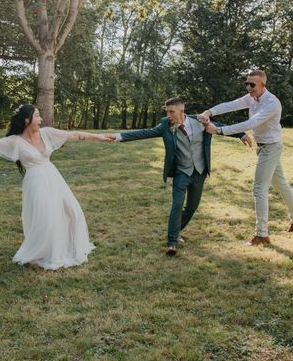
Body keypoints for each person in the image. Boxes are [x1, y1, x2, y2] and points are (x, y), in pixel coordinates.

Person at [0, 104, 113, 270]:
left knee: (73, 210)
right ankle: (46, 252)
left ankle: (71, 246)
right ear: (27, 120)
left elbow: (75, 135)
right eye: (37, 116)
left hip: (53, 176)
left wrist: (100, 137)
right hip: (35, 181)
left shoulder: (47, 133)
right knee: (46, 218)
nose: (41, 119)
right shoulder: (15, 141)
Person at [105, 97, 252, 256]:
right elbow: (145, 133)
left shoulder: (200, 121)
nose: (168, 115)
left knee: (191, 207)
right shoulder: (166, 125)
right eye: (167, 111)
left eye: (171, 112)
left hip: (199, 171)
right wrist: (118, 136)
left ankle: (176, 230)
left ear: (181, 110)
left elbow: (219, 127)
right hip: (181, 172)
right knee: (177, 204)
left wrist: (241, 134)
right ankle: (172, 242)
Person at [199, 70, 293, 246]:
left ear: (263, 85)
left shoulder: (271, 103)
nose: (249, 88)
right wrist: (209, 112)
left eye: (252, 85)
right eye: (247, 84)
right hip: (265, 147)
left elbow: (251, 124)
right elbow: (231, 105)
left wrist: (219, 130)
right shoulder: (252, 97)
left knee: (259, 189)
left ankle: (262, 234)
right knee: (281, 184)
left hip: (270, 148)